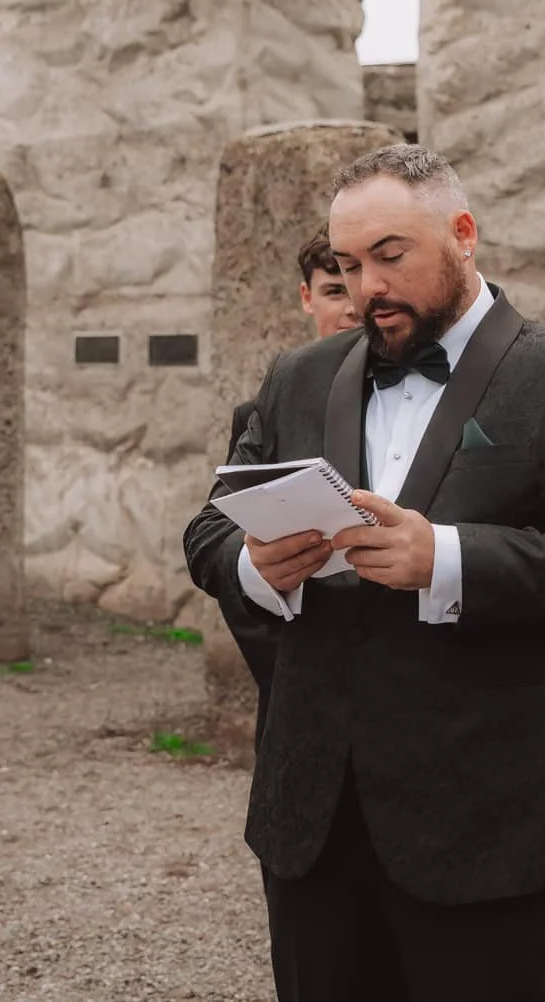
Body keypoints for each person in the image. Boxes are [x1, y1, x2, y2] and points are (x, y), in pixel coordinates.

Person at [184, 144, 545, 1002]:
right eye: (346, 264)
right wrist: (259, 569)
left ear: (463, 233)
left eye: (390, 255)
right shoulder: (297, 377)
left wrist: (443, 558)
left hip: (491, 828)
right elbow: (208, 532)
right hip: (313, 826)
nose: (367, 286)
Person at [220, 229, 365, 737]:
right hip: (302, 687)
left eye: (358, 288)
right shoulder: (266, 409)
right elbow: (226, 539)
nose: (352, 308)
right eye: (334, 291)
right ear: (307, 298)